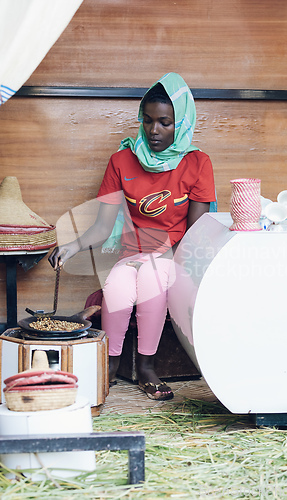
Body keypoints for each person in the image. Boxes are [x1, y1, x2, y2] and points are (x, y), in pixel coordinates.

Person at [49, 72, 216, 401]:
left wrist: (165, 261)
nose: (154, 131)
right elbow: (102, 226)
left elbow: (195, 234)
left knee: (153, 279)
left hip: (174, 255)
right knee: (118, 284)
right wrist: (72, 246)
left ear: (181, 122)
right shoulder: (122, 160)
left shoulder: (197, 163)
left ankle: (146, 367)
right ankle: (109, 365)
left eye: (165, 122)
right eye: (148, 120)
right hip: (132, 254)